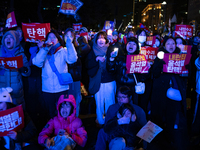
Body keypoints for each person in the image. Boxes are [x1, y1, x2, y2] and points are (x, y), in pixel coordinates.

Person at [149, 37, 189, 150]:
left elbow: (186, 73)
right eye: (168, 43)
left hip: (175, 94)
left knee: (171, 117)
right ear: (164, 45)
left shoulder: (181, 56)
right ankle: (152, 141)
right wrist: (161, 61)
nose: (171, 45)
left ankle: (170, 140)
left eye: (173, 43)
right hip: (160, 92)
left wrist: (185, 63)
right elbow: (155, 73)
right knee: (157, 117)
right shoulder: (160, 55)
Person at [32, 30, 77, 119]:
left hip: (61, 87)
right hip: (47, 89)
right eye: (49, 37)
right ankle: (52, 130)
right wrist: (44, 49)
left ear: (58, 40)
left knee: (63, 111)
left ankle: (63, 129)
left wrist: (69, 43)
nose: (51, 39)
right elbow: (37, 63)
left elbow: (72, 59)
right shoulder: (43, 51)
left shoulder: (63, 51)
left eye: (54, 37)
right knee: (50, 112)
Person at [95, 86, 147, 150]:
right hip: (116, 138)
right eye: (118, 97)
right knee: (102, 132)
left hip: (131, 140)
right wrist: (118, 121)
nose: (120, 100)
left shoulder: (138, 110)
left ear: (130, 97)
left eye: (123, 97)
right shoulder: (112, 108)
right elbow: (106, 127)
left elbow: (145, 131)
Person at [85, 31, 116, 125]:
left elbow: (114, 67)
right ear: (95, 40)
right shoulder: (91, 50)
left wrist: (112, 59)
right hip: (98, 81)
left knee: (110, 101)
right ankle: (100, 121)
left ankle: (110, 122)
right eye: (99, 38)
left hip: (109, 80)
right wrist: (96, 59)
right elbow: (87, 65)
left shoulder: (110, 49)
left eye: (103, 38)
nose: (101, 40)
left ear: (106, 39)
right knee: (99, 102)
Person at [107, 37, 149, 105]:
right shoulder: (119, 57)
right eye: (129, 43)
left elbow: (143, 77)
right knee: (120, 107)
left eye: (134, 44)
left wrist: (147, 69)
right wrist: (111, 60)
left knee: (132, 108)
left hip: (132, 89)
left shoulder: (140, 59)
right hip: (120, 87)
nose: (131, 45)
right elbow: (111, 70)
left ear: (137, 47)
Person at [0, 30, 31, 109]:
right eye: (6, 37)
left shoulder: (20, 54)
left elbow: (28, 72)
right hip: (2, 93)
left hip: (16, 93)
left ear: (16, 40)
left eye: (11, 38)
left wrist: (23, 69)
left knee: (17, 115)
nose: (8, 39)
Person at [64, 28, 91, 117]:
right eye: (67, 36)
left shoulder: (77, 49)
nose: (68, 38)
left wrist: (81, 38)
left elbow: (86, 47)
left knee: (76, 100)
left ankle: (75, 119)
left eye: (71, 36)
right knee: (66, 101)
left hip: (75, 79)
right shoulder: (61, 49)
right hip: (64, 80)